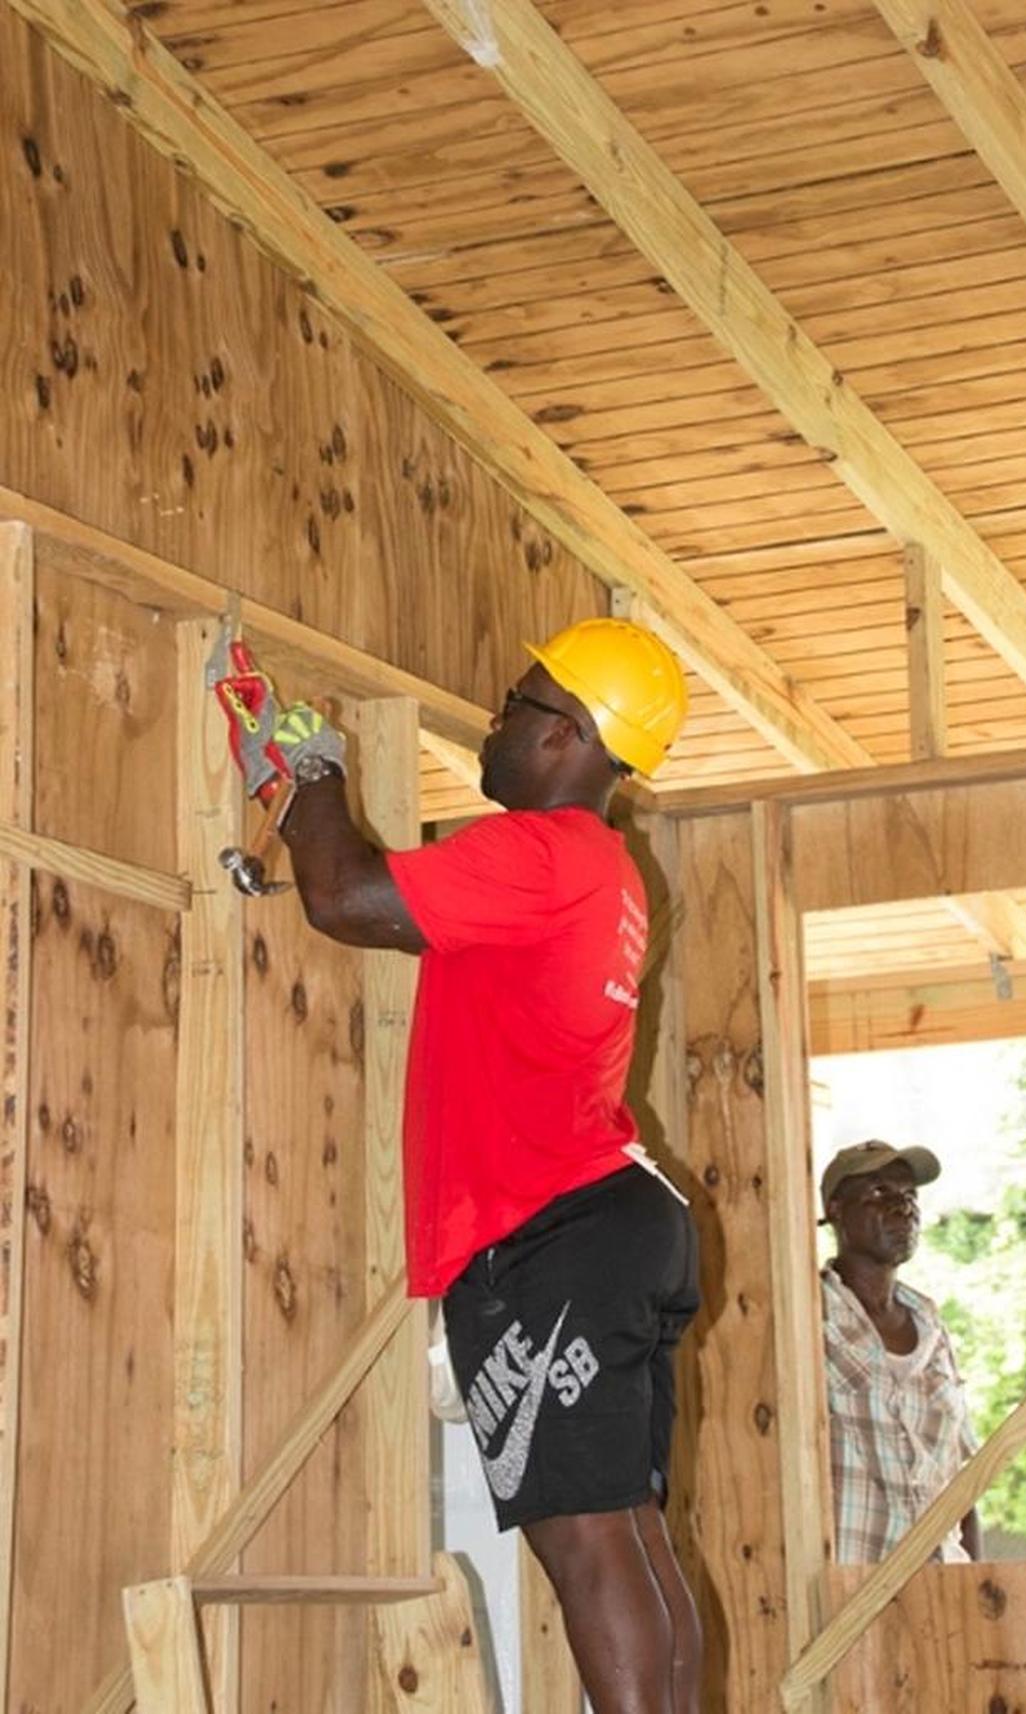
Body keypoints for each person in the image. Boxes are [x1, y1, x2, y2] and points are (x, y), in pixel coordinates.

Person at [234, 618, 702, 1714]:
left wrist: (315, 773)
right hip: (609, 1223)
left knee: (589, 1542)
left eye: (515, 703)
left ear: (571, 735)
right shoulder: (597, 872)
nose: (495, 721)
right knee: (629, 1534)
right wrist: (304, 799)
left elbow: (348, 899)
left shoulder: (547, 851)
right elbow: (392, 908)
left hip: (553, 1230)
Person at [819, 1140, 981, 1565]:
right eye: (879, 1194)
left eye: (910, 1196)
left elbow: (963, 1484)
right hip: (853, 1589)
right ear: (836, 1209)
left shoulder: (932, 1327)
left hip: (941, 1586)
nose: (902, 1208)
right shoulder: (810, 1313)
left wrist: (975, 1588)